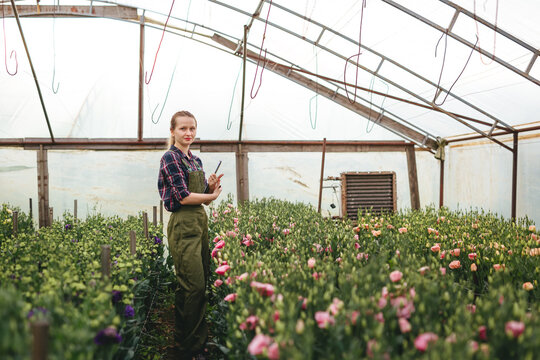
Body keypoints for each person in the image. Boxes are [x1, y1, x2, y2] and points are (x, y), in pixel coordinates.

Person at [158, 110, 223, 360]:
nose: (188, 133)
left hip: (198, 222)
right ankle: (188, 347)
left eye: (192, 128)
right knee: (192, 285)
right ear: (173, 131)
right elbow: (183, 197)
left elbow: (200, 197)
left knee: (200, 282)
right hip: (184, 224)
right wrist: (212, 196)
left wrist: (210, 186)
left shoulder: (194, 160)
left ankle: (193, 340)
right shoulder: (170, 158)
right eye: (183, 128)